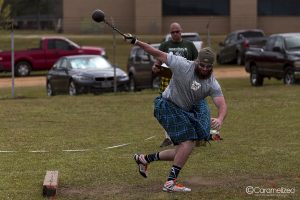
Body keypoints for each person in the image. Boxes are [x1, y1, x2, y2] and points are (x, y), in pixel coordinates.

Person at [124, 34, 227, 192]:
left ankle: (144, 159)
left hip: (184, 110)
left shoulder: (212, 83)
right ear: (197, 61)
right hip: (166, 106)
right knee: (188, 142)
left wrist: (220, 118)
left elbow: (222, 104)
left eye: (208, 67)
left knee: (183, 150)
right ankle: (170, 182)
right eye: (202, 65)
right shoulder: (182, 65)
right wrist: (136, 41)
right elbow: (156, 53)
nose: (205, 69)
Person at [153, 22, 199, 148]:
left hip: (185, 81)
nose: (175, 34)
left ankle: (190, 136)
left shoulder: (189, 45)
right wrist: (155, 67)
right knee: (166, 108)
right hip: (168, 80)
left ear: (181, 31)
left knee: (187, 107)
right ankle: (168, 138)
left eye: (177, 31)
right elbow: (158, 61)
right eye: (172, 32)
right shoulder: (165, 45)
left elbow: (197, 61)